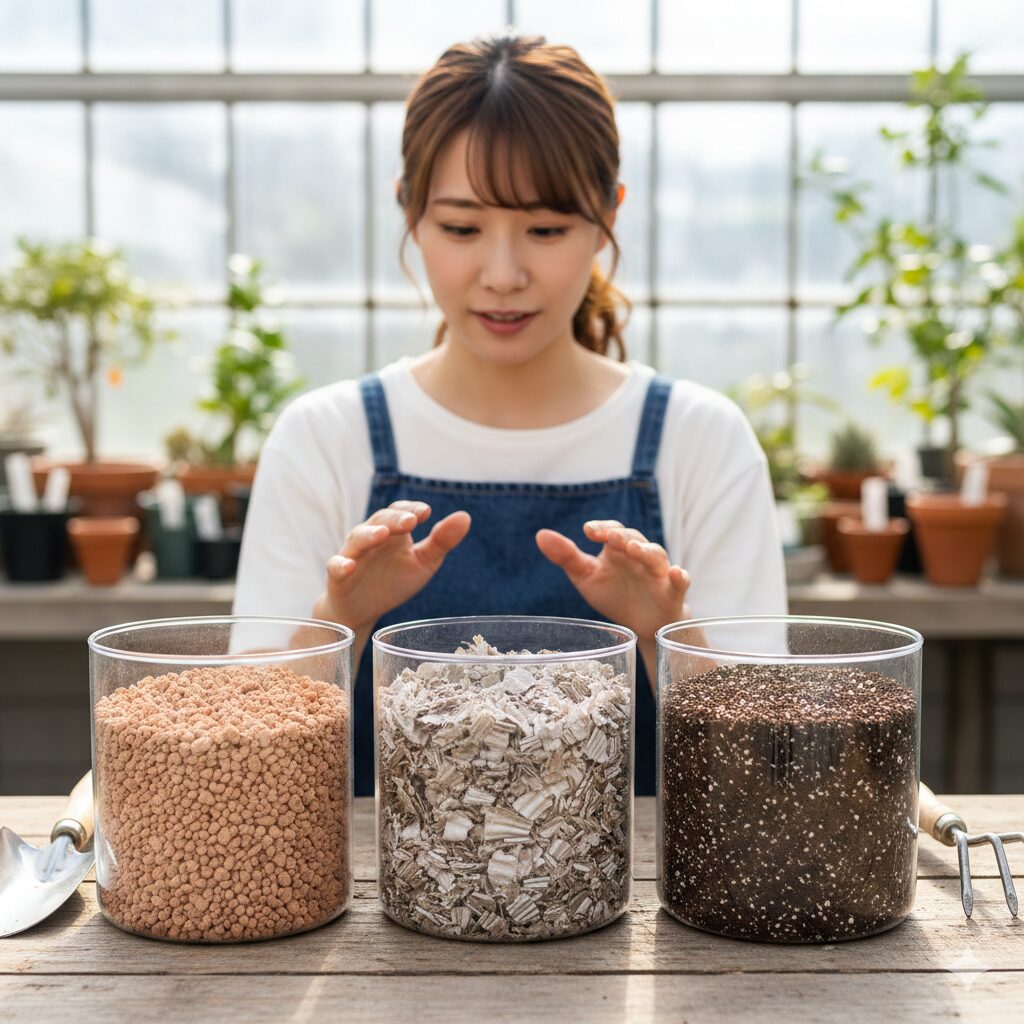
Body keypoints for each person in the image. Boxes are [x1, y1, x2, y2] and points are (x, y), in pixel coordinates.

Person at [233, 33, 786, 796]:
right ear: (410, 212)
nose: (502, 274)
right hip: (369, 907)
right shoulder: (326, 439)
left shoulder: (699, 441)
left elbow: (770, 782)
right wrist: (342, 617)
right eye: (461, 228)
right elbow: (238, 771)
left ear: (607, 217)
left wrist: (664, 639)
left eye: (547, 230)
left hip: (642, 907)